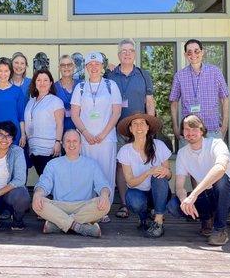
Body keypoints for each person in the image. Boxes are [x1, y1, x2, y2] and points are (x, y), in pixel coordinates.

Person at [167, 115, 230, 246]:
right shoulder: (182, 153)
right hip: (206, 195)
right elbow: (179, 186)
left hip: (228, 197)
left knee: (220, 179)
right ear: (182, 132)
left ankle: (220, 230)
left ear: (202, 130)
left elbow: (220, 168)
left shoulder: (216, 143)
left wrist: (193, 195)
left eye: (194, 129)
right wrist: (184, 201)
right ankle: (207, 218)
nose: (190, 133)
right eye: (186, 129)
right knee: (174, 206)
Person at [106, 39, 156, 219]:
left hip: (140, 129)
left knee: (144, 162)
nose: (127, 54)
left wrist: (151, 125)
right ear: (119, 55)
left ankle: (150, 202)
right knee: (121, 165)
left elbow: (149, 101)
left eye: (130, 51)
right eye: (123, 51)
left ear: (134, 54)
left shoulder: (144, 75)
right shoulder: (110, 75)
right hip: (117, 128)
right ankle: (125, 204)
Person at [32, 130, 111, 238]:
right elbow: (43, 184)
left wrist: (104, 195)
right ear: (63, 144)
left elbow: (103, 185)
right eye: (68, 141)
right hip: (60, 207)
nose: (72, 144)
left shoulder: (91, 164)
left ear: (80, 144)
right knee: (38, 203)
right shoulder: (53, 164)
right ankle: (80, 227)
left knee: (105, 205)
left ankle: (58, 225)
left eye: (75, 141)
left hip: (84, 206)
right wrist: (37, 194)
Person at [71, 51, 122, 217]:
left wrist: (103, 134)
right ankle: (89, 210)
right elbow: (74, 114)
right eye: (90, 64)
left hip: (106, 139)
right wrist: (85, 133)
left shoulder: (111, 85)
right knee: (87, 174)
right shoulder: (80, 87)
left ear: (102, 66)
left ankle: (104, 209)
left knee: (106, 173)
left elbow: (116, 112)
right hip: (86, 140)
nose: (94, 67)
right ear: (86, 67)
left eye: (97, 64)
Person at [116, 113, 171, 238]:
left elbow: (169, 175)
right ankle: (143, 218)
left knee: (160, 178)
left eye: (142, 123)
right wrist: (148, 172)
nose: (138, 126)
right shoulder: (125, 151)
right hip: (138, 192)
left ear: (147, 127)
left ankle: (158, 221)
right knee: (134, 200)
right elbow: (130, 182)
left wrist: (165, 172)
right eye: (134, 124)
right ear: (130, 129)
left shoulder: (159, 146)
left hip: (158, 192)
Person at [169, 39, 229, 146]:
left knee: (214, 163)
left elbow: (224, 98)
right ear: (185, 55)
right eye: (189, 52)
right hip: (189, 133)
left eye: (196, 51)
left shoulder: (215, 72)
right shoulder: (180, 76)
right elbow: (173, 102)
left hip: (212, 131)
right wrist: (175, 127)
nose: (193, 54)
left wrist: (224, 125)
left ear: (202, 52)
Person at [24, 69, 64, 175]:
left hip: (49, 149)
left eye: (45, 80)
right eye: (39, 80)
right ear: (35, 83)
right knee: (43, 181)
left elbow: (60, 123)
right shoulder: (31, 101)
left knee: (51, 182)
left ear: (51, 83)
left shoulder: (55, 101)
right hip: (34, 149)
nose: (42, 83)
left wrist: (58, 142)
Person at [54, 55, 81, 132]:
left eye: (69, 65)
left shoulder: (81, 85)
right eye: (63, 65)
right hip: (60, 130)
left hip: (81, 129)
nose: (66, 67)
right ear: (59, 68)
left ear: (74, 67)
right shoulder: (53, 88)